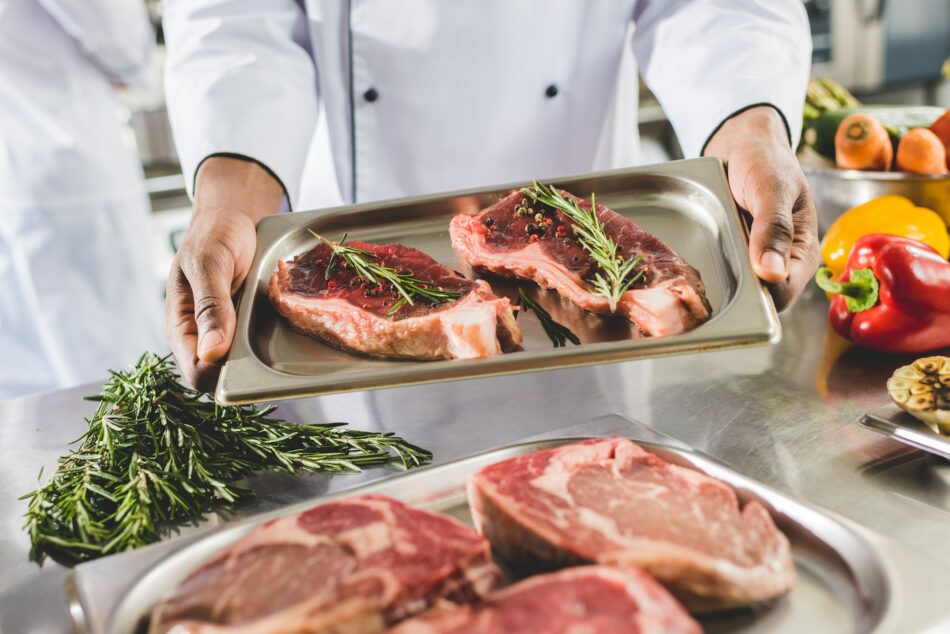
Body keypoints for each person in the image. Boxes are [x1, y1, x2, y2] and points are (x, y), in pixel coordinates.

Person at [162, 1, 820, 391]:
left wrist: (750, 125)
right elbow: (237, 22)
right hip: (342, 226)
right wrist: (228, 197)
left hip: (583, 209)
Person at [0, 0, 163, 399]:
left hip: (16, 175)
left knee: (33, 392)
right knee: (123, 387)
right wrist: (140, 69)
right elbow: (125, 47)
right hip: (70, 175)